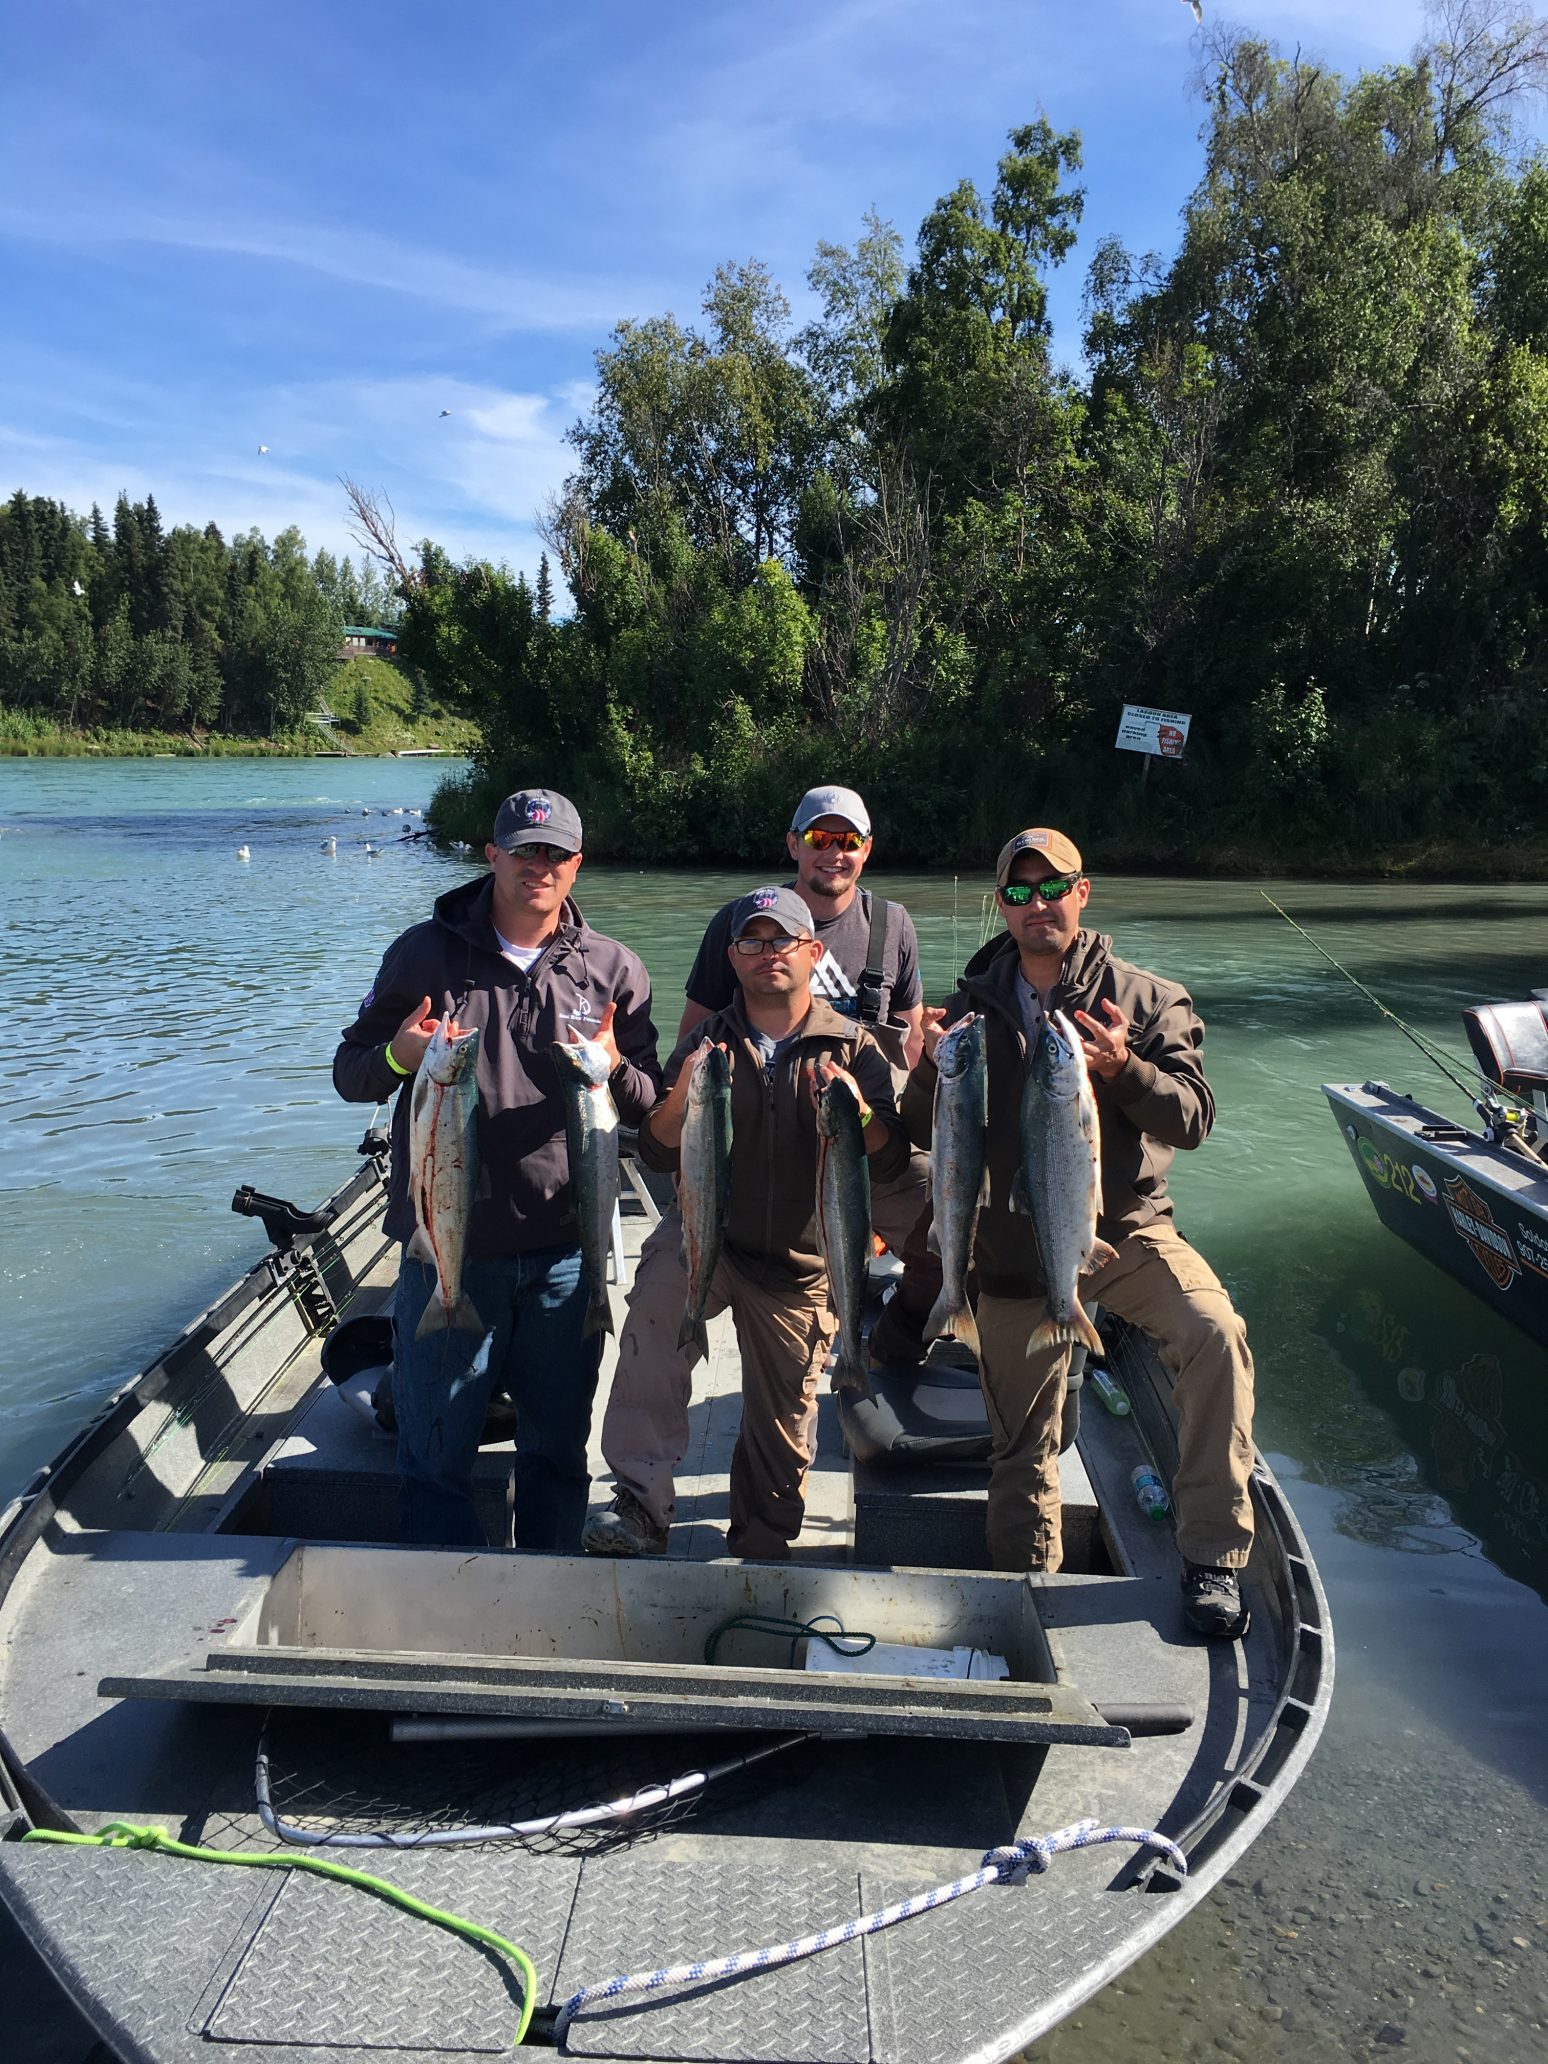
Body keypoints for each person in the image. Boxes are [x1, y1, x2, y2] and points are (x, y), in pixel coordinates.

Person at [902, 827, 1255, 1638]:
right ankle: (1030, 1603)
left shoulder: (1145, 998)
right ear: (1003, 905)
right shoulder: (968, 1008)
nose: (1038, 906)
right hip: (1014, 1258)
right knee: (1021, 1449)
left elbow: (1195, 1118)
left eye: (1052, 887)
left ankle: (1212, 1556)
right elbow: (920, 1129)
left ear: (1082, 892)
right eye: (1019, 893)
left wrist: (1124, 1071)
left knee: (1214, 1333)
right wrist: (926, 1063)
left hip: (1124, 1232)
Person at [333, 787, 661, 1552]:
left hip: (564, 1256)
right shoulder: (424, 953)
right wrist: (399, 1056)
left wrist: (615, 1071)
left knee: (555, 1454)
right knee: (433, 1454)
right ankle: (442, 1602)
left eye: (554, 855)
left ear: (576, 866)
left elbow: (651, 1106)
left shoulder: (614, 968)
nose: (537, 868)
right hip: (448, 1252)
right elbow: (352, 1073)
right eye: (523, 852)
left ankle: (547, 1598)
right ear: (492, 856)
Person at [582, 886, 910, 1561]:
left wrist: (859, 1114)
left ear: (812, 952)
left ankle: (762, 1537)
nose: (767, 954)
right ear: (732, 957)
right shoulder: (706, 1041)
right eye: (752, 942)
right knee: (653, 1312)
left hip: (802, 1260)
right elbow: (655, 1150)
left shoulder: (856, 1048)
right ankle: (640, 1507)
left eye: (781, 940)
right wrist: (683, 1094)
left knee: (784, 1427)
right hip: (707, 1237)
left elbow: (895, 1159)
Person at [678, 785, 937, 1368]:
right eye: (820, 838)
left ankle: (889, 1343)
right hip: (756, 1145)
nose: (833, 852)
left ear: (867, 850)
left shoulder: (892, 926)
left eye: (848, 841)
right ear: (794, 844)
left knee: (958, 1227)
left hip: (864, 1138)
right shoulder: (739, 921)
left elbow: (914, 1044)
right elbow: (692, 1043)